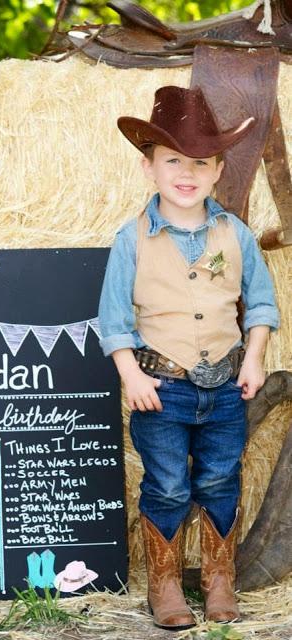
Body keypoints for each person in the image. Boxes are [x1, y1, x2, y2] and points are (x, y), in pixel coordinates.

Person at [98, 86, 279, 631]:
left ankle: (219, 580)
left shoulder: (235, 233)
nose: (187, 172)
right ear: (148, 167)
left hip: (225, 386)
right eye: (172, 159)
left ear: (219, 169)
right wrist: (130, 374)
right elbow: (113, 320)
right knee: (168, 483)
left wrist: (254, 359)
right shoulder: (130, 240)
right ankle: (166, 584)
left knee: (221, 479)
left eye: (201, 162)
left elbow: (262, 301)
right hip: (162, 389)